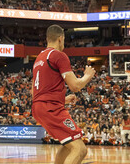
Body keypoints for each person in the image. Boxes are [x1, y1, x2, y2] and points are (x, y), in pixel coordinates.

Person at [32, 25, 95, 164]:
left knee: (69, 145)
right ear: (61, 39)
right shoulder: (58, 55)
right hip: (50, 108)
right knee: (80, 149)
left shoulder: (39, 58)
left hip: (39, 106)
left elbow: (36, 90)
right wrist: (87, 76)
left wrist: (62, 100)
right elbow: (75, 86)